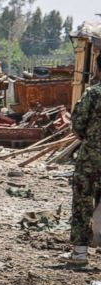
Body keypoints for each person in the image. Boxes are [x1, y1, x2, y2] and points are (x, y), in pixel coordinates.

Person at [62, 53, 101, 266]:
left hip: (91, 159)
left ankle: (79, 253)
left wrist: (90, 139)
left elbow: (77, 124)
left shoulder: (93, 94)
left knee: (83, 202)